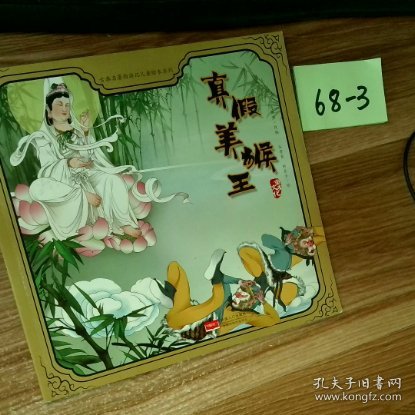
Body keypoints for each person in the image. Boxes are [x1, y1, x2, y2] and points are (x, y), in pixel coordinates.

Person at [10, 79, 183, 241]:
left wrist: (85, 133)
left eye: (67, 105)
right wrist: (68, 163)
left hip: (85, 175)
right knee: (38, 187)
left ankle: (123, 222)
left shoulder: (76, 130)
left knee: (113, 180)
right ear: (48, 110)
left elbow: (88, 158)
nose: (64, 108)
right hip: (63, 183)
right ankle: (82, 200)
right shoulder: (43, 137)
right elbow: (47, 170)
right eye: (59, 104)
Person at [160, 249, 301, 341]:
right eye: (240, 292)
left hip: (198, 328)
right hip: (181, 314)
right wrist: (239, 281)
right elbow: (223, 281)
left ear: (253, 302)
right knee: (175, 267)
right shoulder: (227, 300)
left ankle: (213, 277)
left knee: (217, 300)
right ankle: (170, 297)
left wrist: (264, 303)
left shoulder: (249, 315)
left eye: (243, 295)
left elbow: (274, 320)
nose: (237, 295)